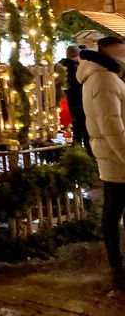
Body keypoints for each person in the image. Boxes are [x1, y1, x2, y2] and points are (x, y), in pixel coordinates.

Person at [77, 36, 125, 290]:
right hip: (118, 158)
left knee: (113, 209)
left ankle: (117, 265)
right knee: (113, 211)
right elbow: (112, 126)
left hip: (112, 156)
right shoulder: (104, 79)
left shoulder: (102, 76)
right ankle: (117, 267)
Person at [59, 45, 90, 151]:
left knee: (76, 127)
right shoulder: (74, 68)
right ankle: (87, 152)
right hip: (79, 101)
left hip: (70, 102)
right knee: (84, 128)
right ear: (76, 55)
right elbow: (80, 83)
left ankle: (77, 150)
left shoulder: (63, 67)